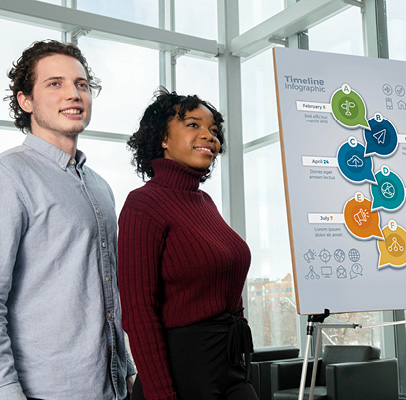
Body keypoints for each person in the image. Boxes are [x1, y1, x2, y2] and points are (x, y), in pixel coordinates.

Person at [0, 40, 135, 399]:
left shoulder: (100, 186)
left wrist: (128, 367)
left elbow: (107, 289)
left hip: (111, 387)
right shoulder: (8, 176)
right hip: (46, 391)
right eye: (54, 83)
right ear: (25, 100)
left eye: (81, 84)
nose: (73, 94)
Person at [118, 89, 258, 400]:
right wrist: (162, 395)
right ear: (163, 138)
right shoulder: (143, 204)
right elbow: (139, 312)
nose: (209, 136)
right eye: (193, 125)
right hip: (179, 375)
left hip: (229, 365)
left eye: (213, 130)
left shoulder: (204, 202)